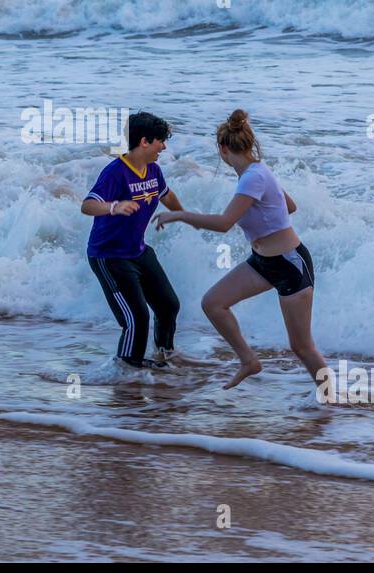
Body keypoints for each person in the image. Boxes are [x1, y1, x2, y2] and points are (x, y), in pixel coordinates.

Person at [153, 110, 326, 389]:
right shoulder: (258, 172)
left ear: (222, 149)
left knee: (302, 347)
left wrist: (180, 215)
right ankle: (249, 361)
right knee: (213, 303)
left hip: (289, 264)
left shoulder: (253, 177)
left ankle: (332, 403)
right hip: (263, 262)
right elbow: (289, 207)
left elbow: (223, 223)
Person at [81, 112, 184, 369]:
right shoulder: (115, 172)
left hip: (137, 251)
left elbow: (166, 195)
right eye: (161, 140)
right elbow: (88, 205)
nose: (164, 146)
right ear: (144, 141)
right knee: (136, 319)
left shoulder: (153, 170)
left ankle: (164, 356)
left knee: (168, 305)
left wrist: (184, 215)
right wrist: (114, 206)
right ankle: (127, 373)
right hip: (109, 256)